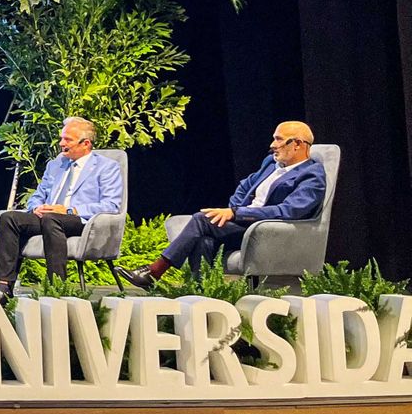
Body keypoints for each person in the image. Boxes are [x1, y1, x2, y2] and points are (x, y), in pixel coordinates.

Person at [120, 121, 326, 289]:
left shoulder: (312, 175)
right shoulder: (271, 163)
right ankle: (202, 293)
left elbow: (289, 211)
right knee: (203, 241)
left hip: (268, 231)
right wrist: (234, 209)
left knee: (202, 220)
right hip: (243, 225)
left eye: (278, 139)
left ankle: (155, 271)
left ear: (298, 144)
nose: (272, 145)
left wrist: (237, 213)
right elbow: (245, 186)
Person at [0, 116, 122, 303]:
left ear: (85, 143)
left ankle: (56, 288)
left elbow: (111, 205)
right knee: (9, 218)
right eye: (62, 138)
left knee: (51, 219)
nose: (61, 143)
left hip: (81, 220)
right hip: (49, 216)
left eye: (67, 139)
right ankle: (4, 288)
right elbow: (38, 194)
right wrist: (36, 207)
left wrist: (69, 210)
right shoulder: (56, 165)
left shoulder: (106, 167)